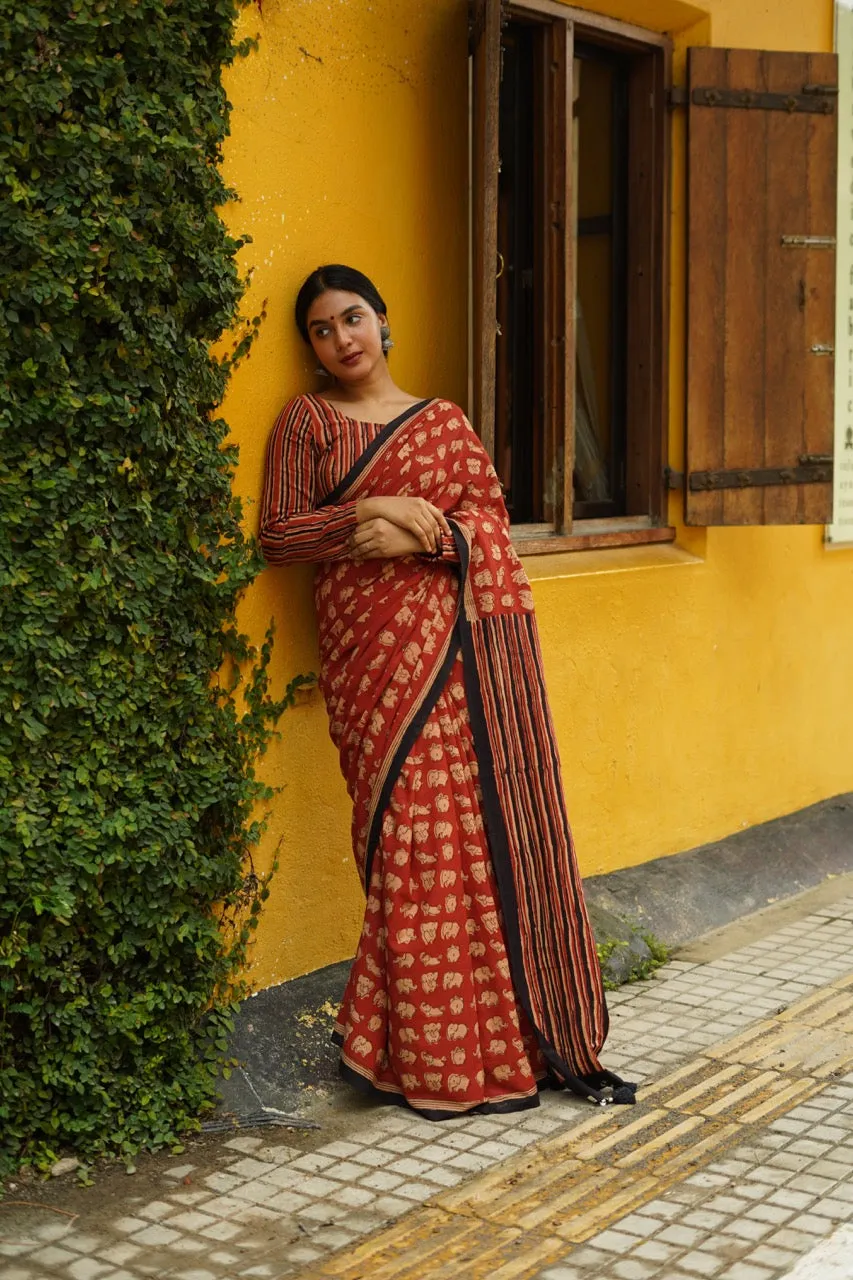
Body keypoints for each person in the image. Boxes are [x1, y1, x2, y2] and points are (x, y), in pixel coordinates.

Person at [259, 264, 635, 1118]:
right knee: (407, 847)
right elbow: (280, 534)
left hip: (459, 665)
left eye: (352, 317)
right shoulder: (308, 421)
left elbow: (490, 526)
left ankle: (499, 1043)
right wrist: (376, 510)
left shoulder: (445, 423)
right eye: (321, 330)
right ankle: (425, 1054)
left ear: (383, 320)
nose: (341, 338)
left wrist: (428, 542)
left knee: (472, 840)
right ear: (312, 349)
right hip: (373, 667)